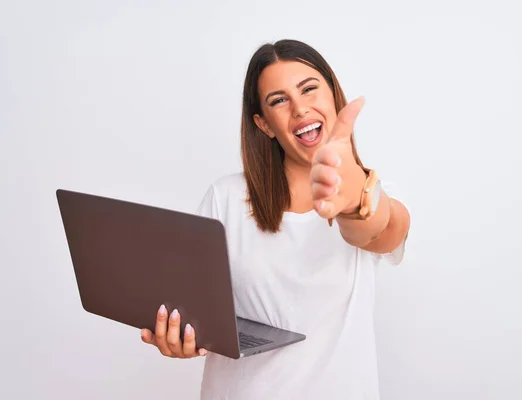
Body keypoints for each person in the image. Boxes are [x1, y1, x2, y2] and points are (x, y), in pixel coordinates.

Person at [140, 39, 411, 399]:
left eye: (309, 89)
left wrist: (352, 200)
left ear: (333, 97)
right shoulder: (225, 199)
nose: (299, 109)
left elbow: (382, 230)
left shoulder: (374, 193)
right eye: (279, 100)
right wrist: (178, 333)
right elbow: (191, 307)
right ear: (264, 124)